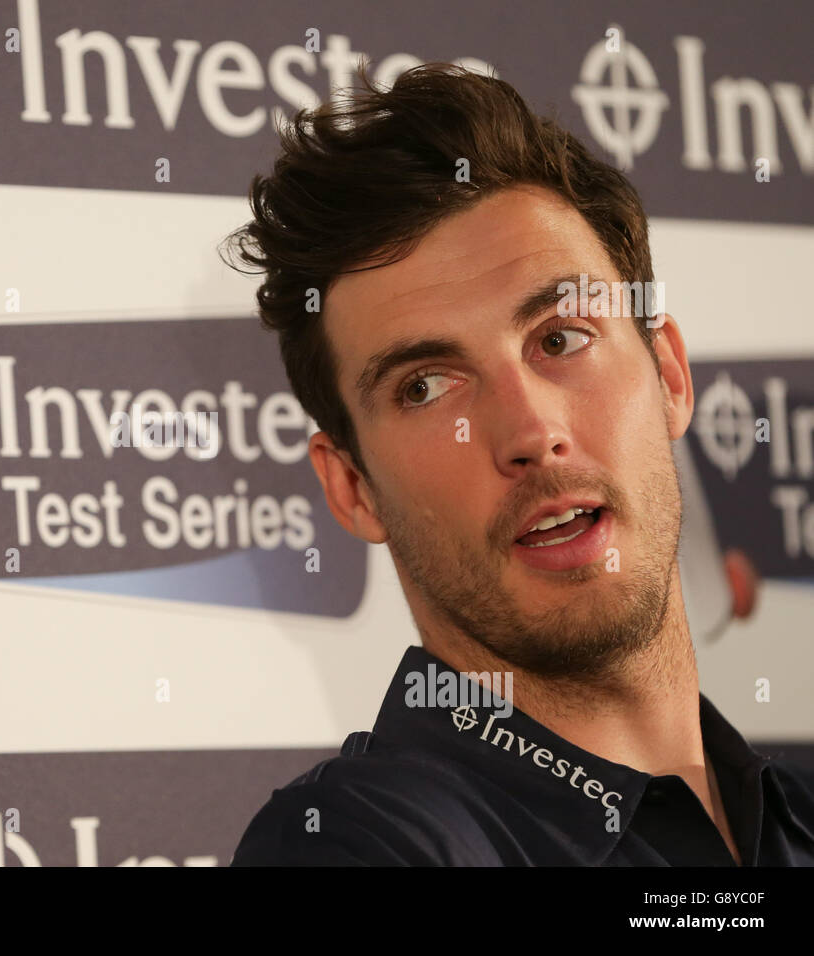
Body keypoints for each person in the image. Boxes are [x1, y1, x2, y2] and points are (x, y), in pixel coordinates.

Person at [222, 63, 814, 866]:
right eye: (426, 387)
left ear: (670, 376)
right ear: (353, 488)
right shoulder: (352, 847)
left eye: (561, 338)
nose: (531, 430)